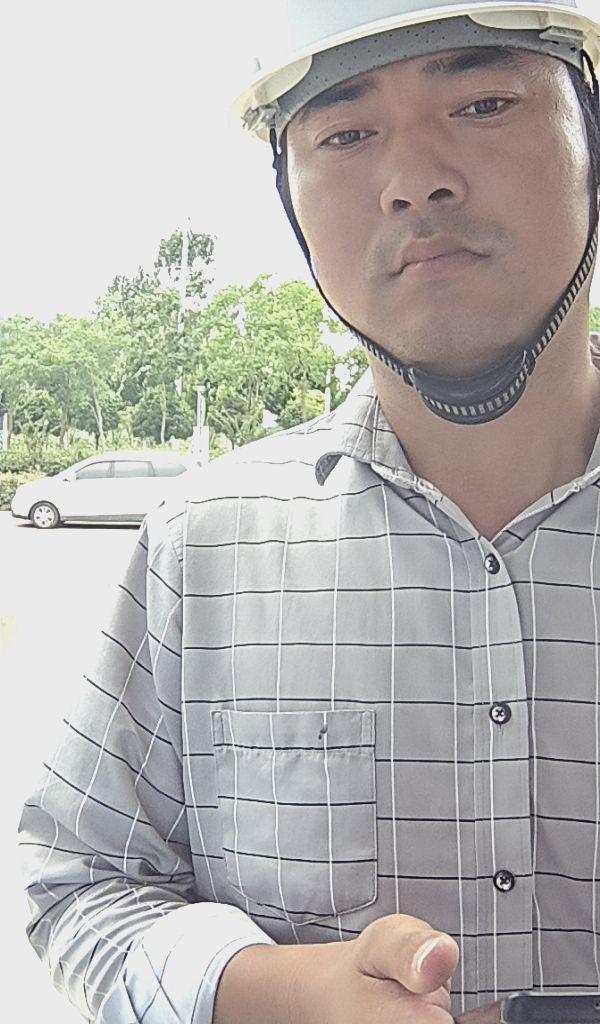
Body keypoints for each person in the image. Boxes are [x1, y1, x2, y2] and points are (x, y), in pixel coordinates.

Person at [19, 2, 600, 1022]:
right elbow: (78, 882)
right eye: (346, 133)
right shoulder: (202, 546)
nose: (415, 178)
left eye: (482, 102)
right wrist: (275, 991)